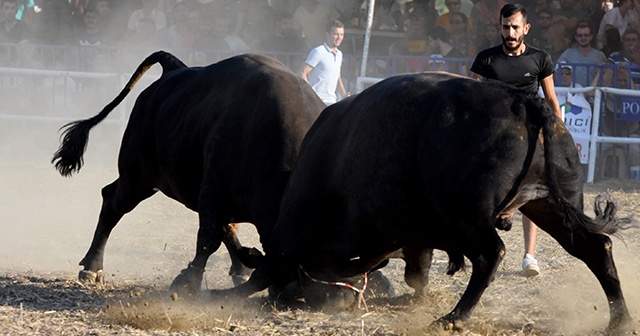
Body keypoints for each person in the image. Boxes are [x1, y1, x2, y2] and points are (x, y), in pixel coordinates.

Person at [471, 3, 562, 277]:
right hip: (492, 137)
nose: (510, 33)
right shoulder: (486, 60)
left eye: (515, 27)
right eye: (505, 27)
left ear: (526, 28)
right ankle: (480, 251)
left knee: (530, 194)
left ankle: (529, 256)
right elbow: (469, 98)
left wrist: (556, 134)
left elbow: (552, 100)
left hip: (529, 136)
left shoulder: (540, 59)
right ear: (499, 27)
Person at [300, 20, 349, 105]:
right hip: (316, 103)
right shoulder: (318, 51)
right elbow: (302, 73)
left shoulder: (339, 54)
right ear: (327, 34)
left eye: (341, 35)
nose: (339, 38)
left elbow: (338, 77)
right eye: (335, 34)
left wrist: (344, 94)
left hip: (332, 102)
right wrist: (312, 95)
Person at [556, 21, 607, 86]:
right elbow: (557, 71)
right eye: (580, 36)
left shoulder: (600, 55)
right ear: (576, 38)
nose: (583, 38)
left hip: (592, 94)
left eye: (586, 35)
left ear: (591, 37)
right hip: (574, 94)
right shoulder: (568, 53)